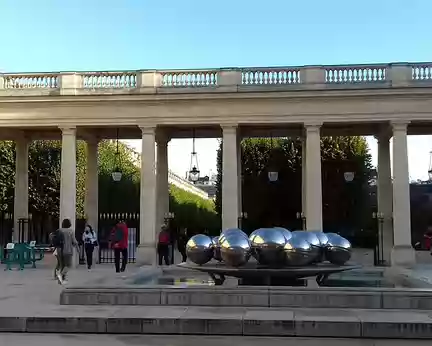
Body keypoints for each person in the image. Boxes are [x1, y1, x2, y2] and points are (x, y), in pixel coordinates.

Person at [58, 218, 78, 284]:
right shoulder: (70, 231)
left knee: (62, 265)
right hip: (68, 250)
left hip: (59, 250)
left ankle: (62, 279)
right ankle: (60, 276)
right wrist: (77, 247)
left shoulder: (59, 230)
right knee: (68, 265)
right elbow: (74, 241)